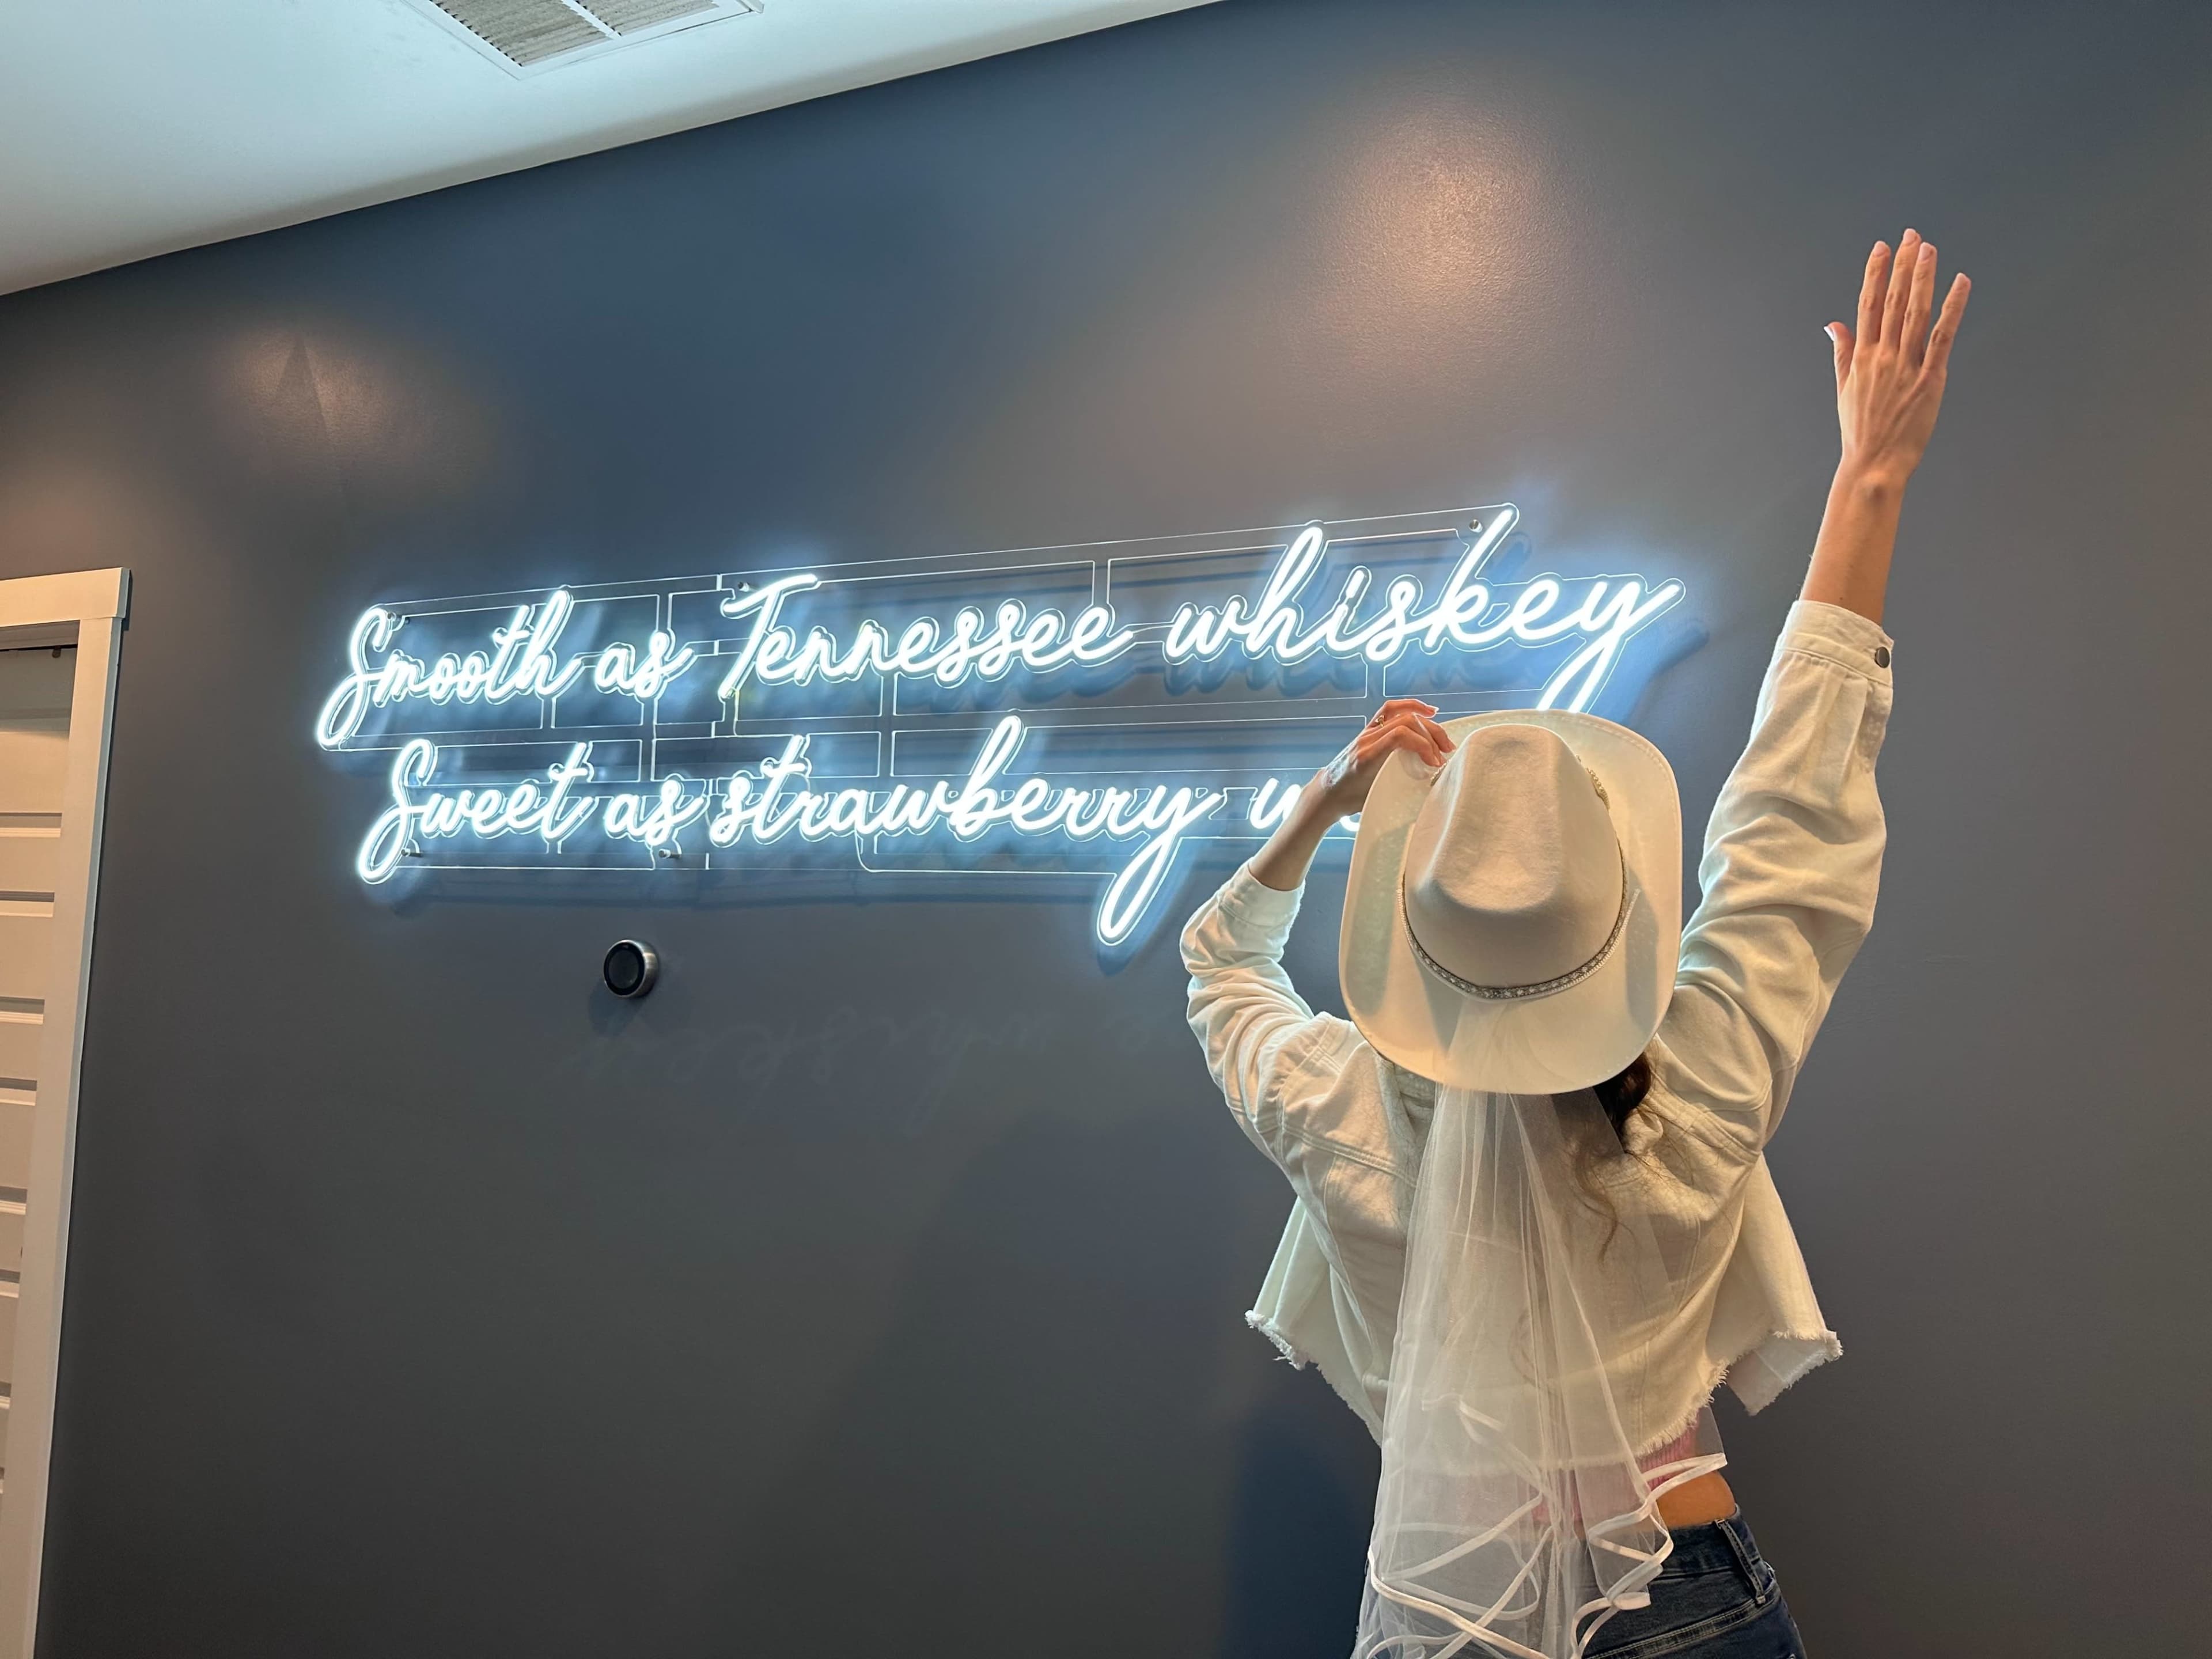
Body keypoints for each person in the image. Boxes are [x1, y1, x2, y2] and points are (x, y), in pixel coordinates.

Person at [1181, 232, 1969, 1659]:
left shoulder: (1335, 1108)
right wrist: (1870, 481)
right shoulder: (1696, 1092)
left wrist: (1322, 809)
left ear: (1409, 937)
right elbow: (1794, 825)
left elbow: (1218, 965)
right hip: (1689, 1593)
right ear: (1615, 920)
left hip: (1455, 1605)